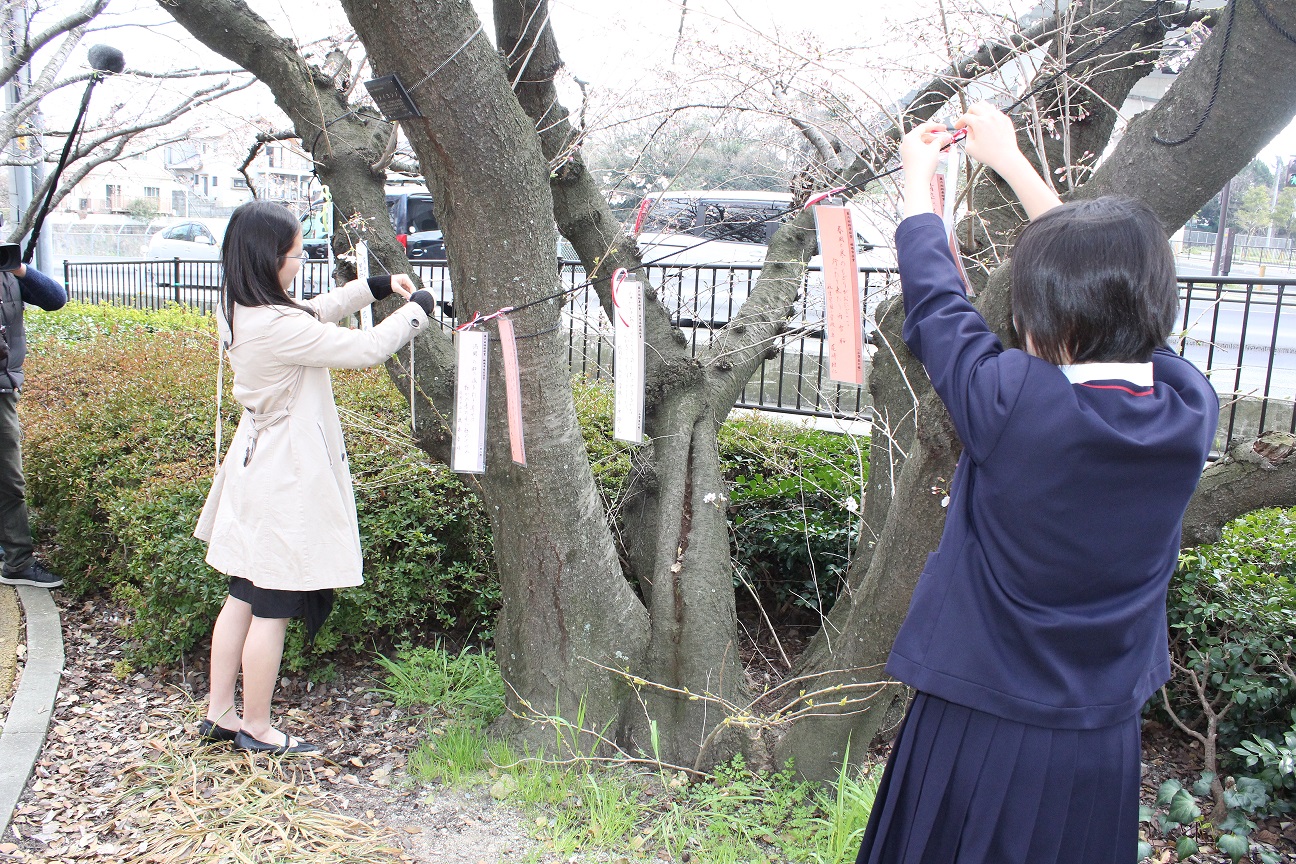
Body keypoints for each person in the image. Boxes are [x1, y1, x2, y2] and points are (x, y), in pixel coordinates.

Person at [855, 104, 1218, 863]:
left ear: (1043, 313)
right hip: (1100, 736)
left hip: (979, 719)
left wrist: (917, 186)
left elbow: (936, 305)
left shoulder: (1016, 402)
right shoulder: (1187, 405)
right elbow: (1109, 292)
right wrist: (1015, 166)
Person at [194, 200, 437, 755]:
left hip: (256, 467)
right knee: (273, 608)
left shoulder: (239, 307)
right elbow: (367, 349)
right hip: (285, 478)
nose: (302, 262)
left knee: (242, 596)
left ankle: (220, 714)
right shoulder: (276, 327)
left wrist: (372, 287)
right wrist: (416, 310)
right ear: (268, 257)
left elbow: (309, 312)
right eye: (297, 253)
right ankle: (256, 728)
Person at [0, 258, 67, 590]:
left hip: (1, 391)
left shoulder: (8, 272)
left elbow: (56, 299)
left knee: (9, 480)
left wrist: (19, 268)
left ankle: (17, 561)